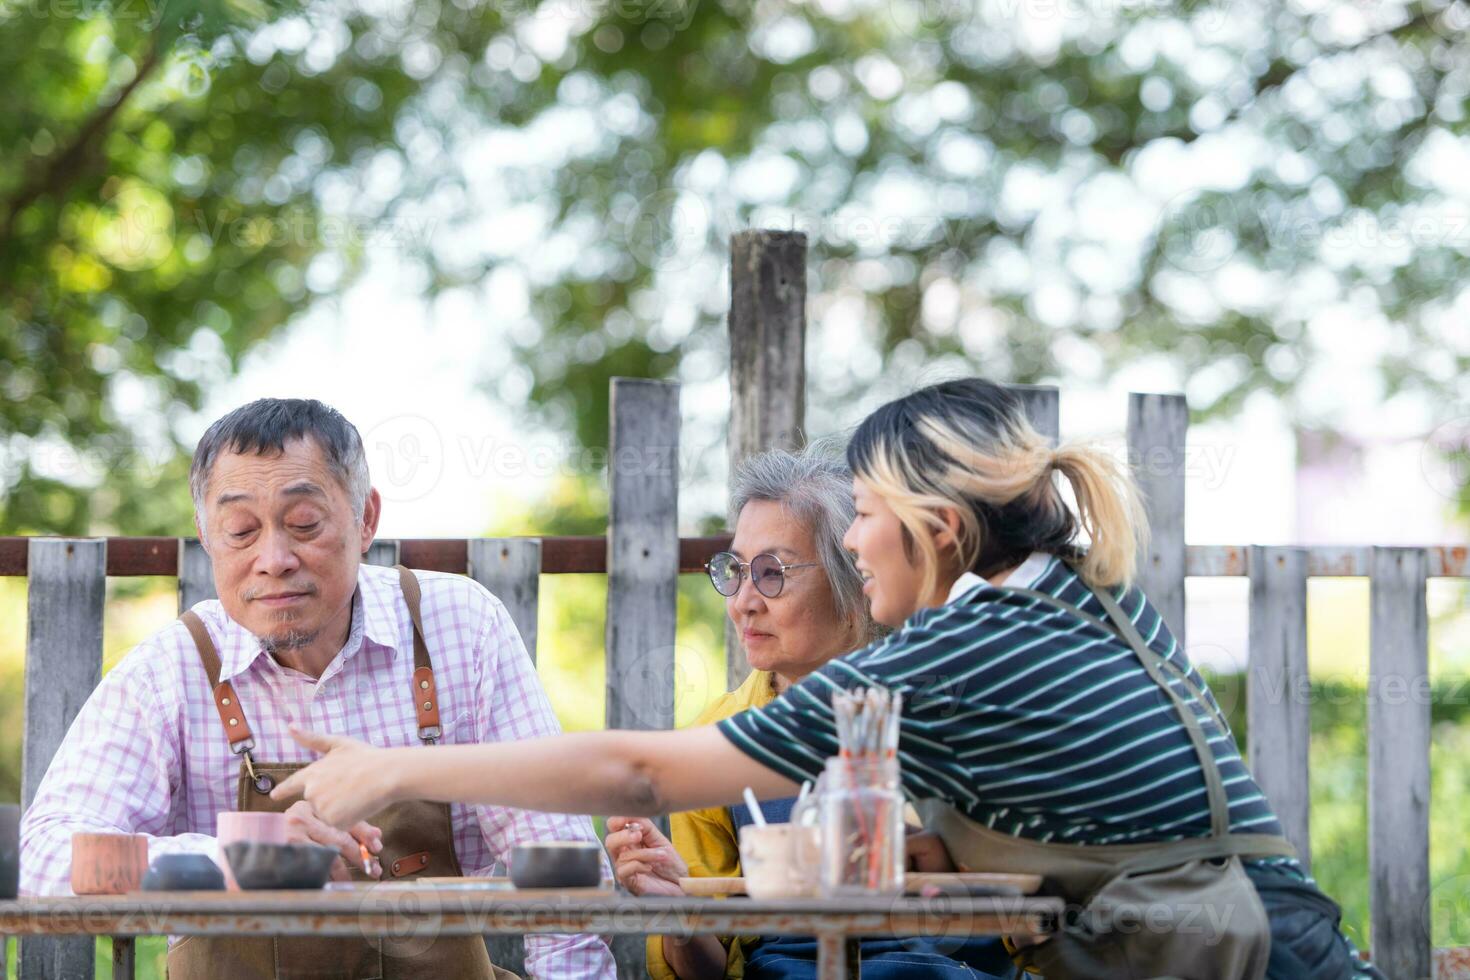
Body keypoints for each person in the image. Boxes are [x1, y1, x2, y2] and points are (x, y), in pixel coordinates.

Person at [271, 380, 1381, 980]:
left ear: (937, 529)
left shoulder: (959, 646)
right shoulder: (1089, 597)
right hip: (1284, 943)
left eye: (860, 514)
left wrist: (394, 767)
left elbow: (642, 766)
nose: (851, 541)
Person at [20, 398, 616, 980]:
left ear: (366, 519)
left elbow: (556, 862)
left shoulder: (460, 625)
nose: (274, 559)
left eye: (304, 524)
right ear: (206, 536)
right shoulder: (166, 673)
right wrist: (243, 860)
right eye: (240, 530)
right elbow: (43, 859)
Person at [604, 448, 1012, 979]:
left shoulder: (958, 711)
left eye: (772, 573)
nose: (743, 601)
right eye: (736, 571)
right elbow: (705, 973)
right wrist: (682, 910)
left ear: (855, 577)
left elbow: (1037, 921)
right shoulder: (717, 739)